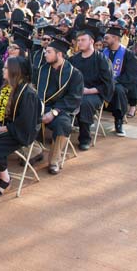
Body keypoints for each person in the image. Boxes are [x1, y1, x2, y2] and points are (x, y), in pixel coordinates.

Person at [0, 56, 42, 195]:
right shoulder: (6, 86)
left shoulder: (28, 94)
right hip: (4, 126)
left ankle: (5, 179)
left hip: (21, 132)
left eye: (6, 67)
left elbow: (24, 123)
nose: (3, 69)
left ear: (15, 71)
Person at [37, 36, 83, 174]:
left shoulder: (74, 74)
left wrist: (54, 112)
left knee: (63, 124)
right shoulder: (41, 70)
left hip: (62, 109)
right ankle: (34, 151)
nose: (45, 54)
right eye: (45, 51)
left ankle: (54, 160)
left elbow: (74, 99)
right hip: (41, 105)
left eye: (49, 52)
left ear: (59, 54)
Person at [69, 28, 114, 150]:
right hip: (76, 92)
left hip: (94, 93)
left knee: (85, 103)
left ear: (91, 41)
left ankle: (85, 138)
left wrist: (89, 91)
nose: (80, 43)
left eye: (83, 40)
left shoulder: (102, 60)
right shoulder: (74, 59)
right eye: (78, 40)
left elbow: (108, 84)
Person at [102, 25, 137, 135]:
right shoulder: (102, 53)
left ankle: (118, 121)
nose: (104, 40)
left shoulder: (128, 54)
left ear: (116, 38)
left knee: (118, 90)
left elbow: (131, 75)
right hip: (103, 83)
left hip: (120, 83)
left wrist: (115, 81)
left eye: (107, 38)